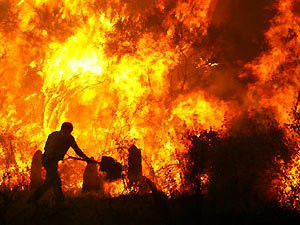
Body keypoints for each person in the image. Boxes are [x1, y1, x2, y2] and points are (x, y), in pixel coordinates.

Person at [28, 122, 92, 203]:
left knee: (54, 181)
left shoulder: (53, 134)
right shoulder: (69, 137)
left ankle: (59, 201)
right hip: (52, 161)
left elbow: (46, 147)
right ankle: (33, 199)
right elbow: (77, 150)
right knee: (52, 182)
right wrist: (87, 159)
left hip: (45, 159)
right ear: (70, 130)